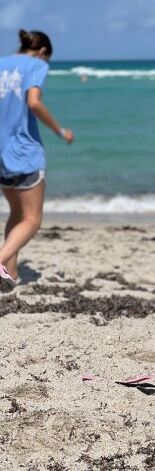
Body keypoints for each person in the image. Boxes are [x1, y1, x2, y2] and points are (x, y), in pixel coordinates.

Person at [0, 29, 74, 290]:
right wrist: (59, 130)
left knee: (17, 213)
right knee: (32, 219)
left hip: (1, 153)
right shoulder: (36, 65)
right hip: (24, 151)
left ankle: (9, 275)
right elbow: (34, 102)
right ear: (43, 52)